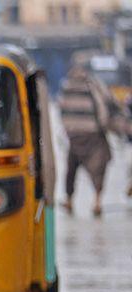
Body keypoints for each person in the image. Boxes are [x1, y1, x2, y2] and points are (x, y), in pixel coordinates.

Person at [60, 63, 113, 216]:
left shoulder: (66, 86)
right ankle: (97, 201)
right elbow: (104, 106)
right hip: (93, 134)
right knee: (99, 168)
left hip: (74, 135)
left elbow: (61, 109)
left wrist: (68, 130)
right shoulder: (93, 86)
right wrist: (104, 125)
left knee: (71, 169)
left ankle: (69, 200)